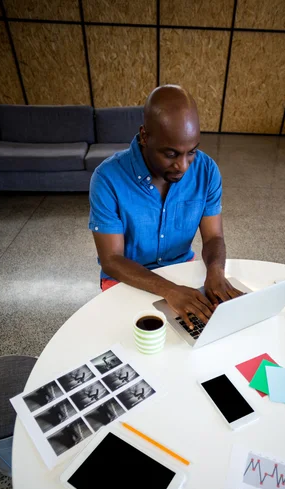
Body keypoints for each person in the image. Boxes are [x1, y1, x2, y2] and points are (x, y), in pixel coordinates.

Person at [89, 85, 242, 330]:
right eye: (171, 154)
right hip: (127, 279)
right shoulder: (107, 178)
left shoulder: (207, 170)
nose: (183, 165)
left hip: (181, 271)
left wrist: (215, 271)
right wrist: (169, 290)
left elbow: (213, 236)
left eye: (191, 152)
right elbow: (111, 260)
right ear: (144, 136)